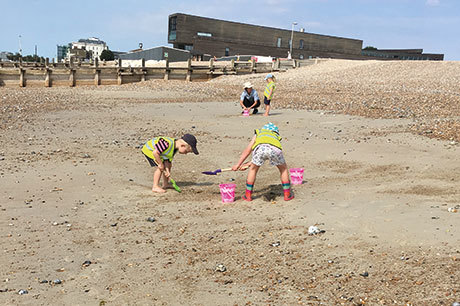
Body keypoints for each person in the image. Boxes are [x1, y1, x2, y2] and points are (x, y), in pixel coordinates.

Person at [231, 123, 294, 201]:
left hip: (260, 149)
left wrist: (238, 164)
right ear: (275, 132)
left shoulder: (259, 132)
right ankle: (287, 195)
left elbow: (248, 150)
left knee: (253, 170)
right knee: (283, 169)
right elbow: (270, 151)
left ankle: (248, 195)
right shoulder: (275, 136)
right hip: (275, 149)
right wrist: (248, 164)